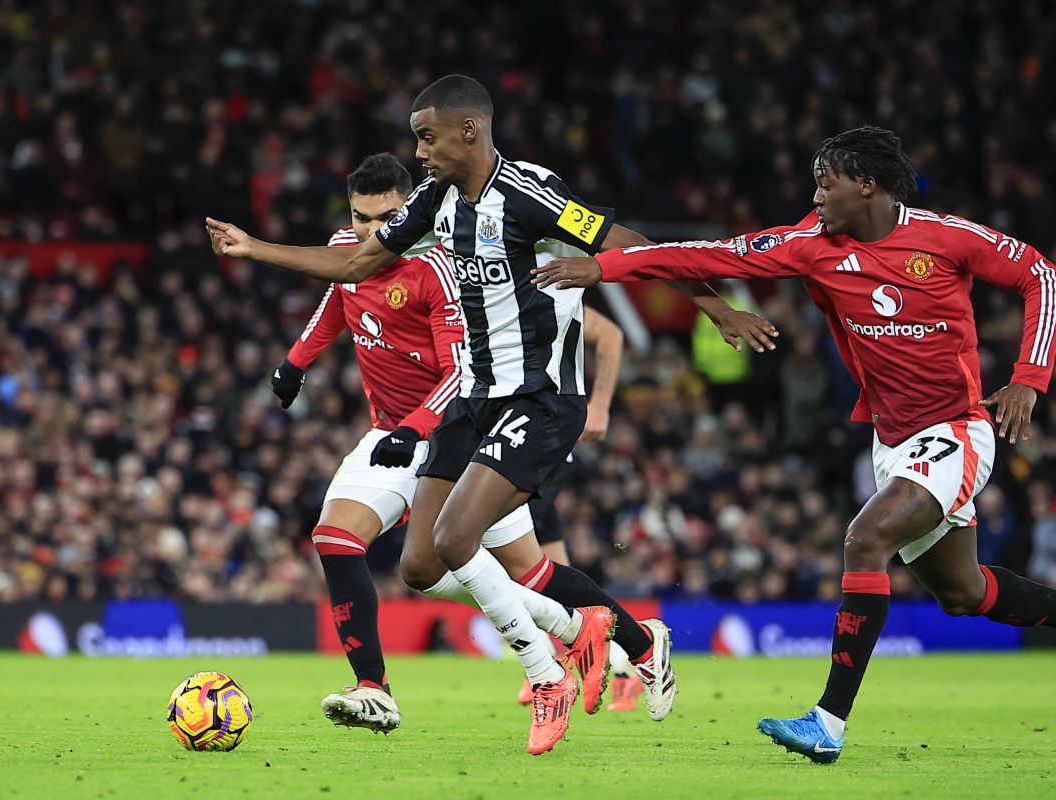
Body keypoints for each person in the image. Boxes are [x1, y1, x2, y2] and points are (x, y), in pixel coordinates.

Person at [208, 74, 778, 754]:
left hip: (537, 400)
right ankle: (617, 636)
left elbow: (627, 241)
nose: (419, 153)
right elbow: (358, 262)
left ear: (468, 132)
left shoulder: (528, 195)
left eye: (427, 138)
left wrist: (714, 305)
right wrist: (255, 249)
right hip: (472, 401)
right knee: (421, 566)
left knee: (455, 542)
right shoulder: (435, 198)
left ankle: (547, 678)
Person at [533, 125, 1056, 763]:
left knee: (864, 539)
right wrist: (602, 266)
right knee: (962, 593)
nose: (815, 195)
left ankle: (828, 722)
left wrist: (1028, 379)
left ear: (866, 184)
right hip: (893, 441)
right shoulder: (812, 246)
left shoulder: (948, 238)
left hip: (957, 430)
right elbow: (706, 255)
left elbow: (1042, 276)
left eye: (827, 182)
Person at [270, 152, 616, 736]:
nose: (371, 233)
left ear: (409, 210)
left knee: (525, 569)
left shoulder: (439, 264)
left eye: (385, 219)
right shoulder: (351, 250)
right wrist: (297, 359)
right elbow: (337, 293)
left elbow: (460, 369)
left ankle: (609, 636)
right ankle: (374, 689)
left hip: (459, 432)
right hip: (390, 434)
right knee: (337, 537)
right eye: (359, 218)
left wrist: (416, 428)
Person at [512, 308, 642, 712]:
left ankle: (604, 661)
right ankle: (605, 664)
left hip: (543, 437)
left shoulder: (546, 288)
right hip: (514, 435)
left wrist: (600, 405)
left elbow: (612, 335)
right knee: (550, 570)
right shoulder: (485, 285)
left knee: (506, 550)